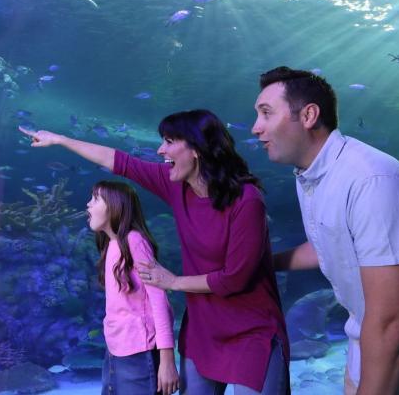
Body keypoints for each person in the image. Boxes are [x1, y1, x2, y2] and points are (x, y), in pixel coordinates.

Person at [252, 66, 399, 395]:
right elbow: (327, 245)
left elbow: (392, 320)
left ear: (308, 115)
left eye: (266, 113)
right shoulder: (313, 175)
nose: (256, 128)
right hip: (368, 347)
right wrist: (261, 262)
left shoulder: (371, 181)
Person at [20, 109, 290, 395]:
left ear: (197, 149)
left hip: (251, 330)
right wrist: (60, 140)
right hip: (203, 328)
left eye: (170, 141)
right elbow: (119, 161)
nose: (161, 149)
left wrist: (173, 281)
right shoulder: (176, 185)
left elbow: (235, 278)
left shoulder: (246, 201)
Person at [86, 180, 179, 395]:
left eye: (95, 199)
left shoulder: (134, 241)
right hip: (115, 351)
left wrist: (167, 361)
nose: (88, 205)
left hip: (139, 352)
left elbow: (159, 301)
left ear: (115, 205)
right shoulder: (111, 245)